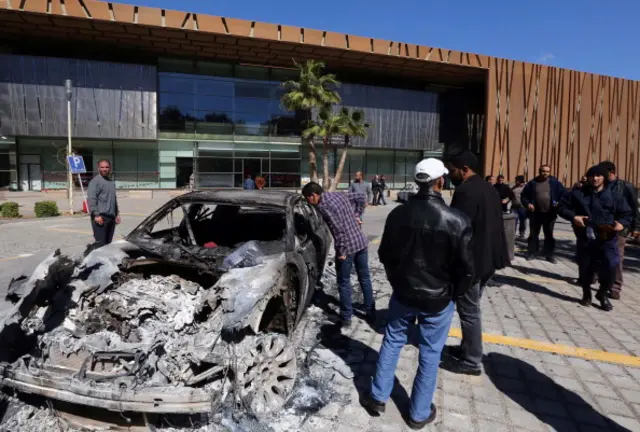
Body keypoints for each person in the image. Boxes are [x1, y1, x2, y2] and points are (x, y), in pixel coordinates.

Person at [362, 159, 474, 428]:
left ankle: (378, 396)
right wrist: (452, 294)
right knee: (430, 352)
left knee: (392, 341)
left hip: (403, 294)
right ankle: (418, 413)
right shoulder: (457, 219)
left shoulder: (398, 214)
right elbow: (467, 270)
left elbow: (384, 255)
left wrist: (397, 283)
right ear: (440, 182)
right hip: (437, 299)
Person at [441, 150, 508, 376]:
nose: (451, 175)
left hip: (472, 263)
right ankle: (467, 347)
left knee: (469, 311)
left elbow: (458, 229)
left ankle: (471, 360)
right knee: (472, 308)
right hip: (488, 259)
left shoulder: (466, 191)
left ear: (465, 169)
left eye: (453, 170)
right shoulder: (489, 188)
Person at [557, 165, 632, 311]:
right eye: (592, 175)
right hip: (586, 237)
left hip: (607, 238)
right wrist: (574, 217)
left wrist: (621, 224)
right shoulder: (578, 194)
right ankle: (586, 294)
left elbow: (627, 214)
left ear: (604, 177)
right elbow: (561, 207)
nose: (595, 178)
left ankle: (602, 293)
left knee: (611, 265)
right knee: (585, 267)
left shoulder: (615, 197)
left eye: (599, 175)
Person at [302, 182, 375, 328]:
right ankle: (370, 310)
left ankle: (346, 317)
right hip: (360, 242)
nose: (308, 201)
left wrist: (341, 252)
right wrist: (357, 215)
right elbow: (361, 197)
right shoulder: (338, 195)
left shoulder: (324, 208)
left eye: (308, 198)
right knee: (365, 278)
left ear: (314, 196)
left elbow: (338, 230)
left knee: (343, 282)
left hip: (347, 248)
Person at [598, 161, 640, 300]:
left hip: (620, 227)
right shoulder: (601, 186)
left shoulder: (626, 186)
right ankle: (599, 280)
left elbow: (634, 208)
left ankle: (615, 287)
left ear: (611, 172)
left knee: (616, 258)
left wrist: (636, 227)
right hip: (602, 226)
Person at [520, 165, 567, 263]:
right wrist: (528, 204)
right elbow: (524, 196)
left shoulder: (555, 183)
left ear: (550, 172)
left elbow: (565, 195)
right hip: (535, 214)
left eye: (547, 171)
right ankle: (532, 253)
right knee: (533, 234)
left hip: (550, 213)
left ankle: (549, 254)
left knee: (549, 235)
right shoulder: (532, 183)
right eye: (543, 171)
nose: (545, 173)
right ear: (539, 171)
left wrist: (559, 203)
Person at [87, 159, 121, 248]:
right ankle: (94, 261)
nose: (105, 169)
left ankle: (104, 261)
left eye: (107, 167)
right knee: (100, 244)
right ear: (98, 168)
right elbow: (91, 198)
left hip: (111, 218)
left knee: (108, 244)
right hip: (100, 217)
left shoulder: (111, 182)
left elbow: (113, 199)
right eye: (102, 167)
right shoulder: (95, 181)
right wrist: (96, 214)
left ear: (110, 168)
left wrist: (117, 214)